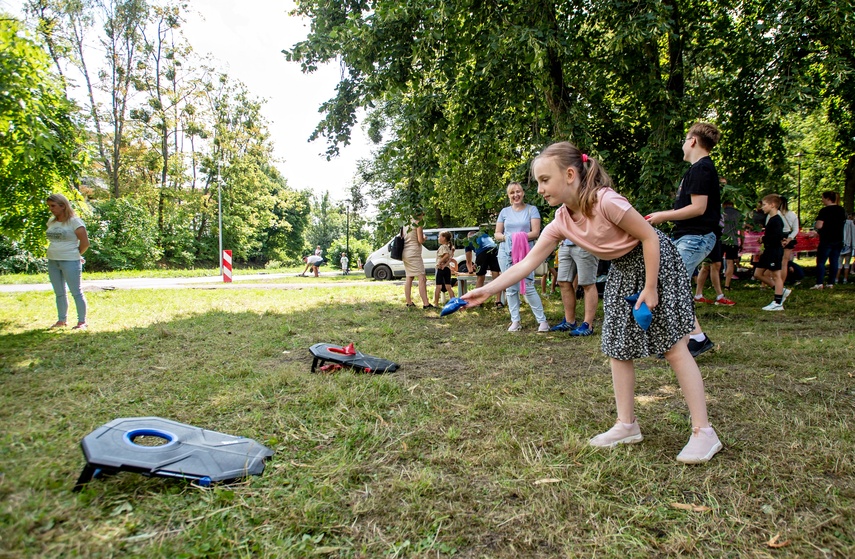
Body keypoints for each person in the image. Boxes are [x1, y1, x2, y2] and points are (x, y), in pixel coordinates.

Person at [462, 142, 722, 463]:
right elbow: (525, 264)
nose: (540, 189)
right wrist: (487, 290)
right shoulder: (560, 220)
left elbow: (649, 236)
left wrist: (651, 288)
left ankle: (704, 432)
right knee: (616, 346)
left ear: (570, 174)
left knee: (673, 347)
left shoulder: (606, 201)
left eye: (545, 180)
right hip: (623, 270)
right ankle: (626, 425)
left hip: (655, 262)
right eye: (538, 182)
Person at [647, 122, 722, 358]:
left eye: (685, 139)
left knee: (670, 286)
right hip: (690, 237)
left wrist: (662, 216)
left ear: (692, 141)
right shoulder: (698, 169)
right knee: (671, 286)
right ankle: (694, 337)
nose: (683, 143)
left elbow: (699, 208)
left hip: (695, 238)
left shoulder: (702, 169)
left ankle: (694, 338)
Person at [495, 181, 549, 332]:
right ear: (508, 196)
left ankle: (542, 321)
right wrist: (508, 238)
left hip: (526, 254)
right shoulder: (504, 212)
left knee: (529, 286)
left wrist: (518, 237)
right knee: (511, 288)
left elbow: (536, 232)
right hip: (506, 253)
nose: (516, 195)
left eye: (518, 191)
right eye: (512, 193)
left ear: (523, 193)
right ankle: (515, 321)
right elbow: (497, 234)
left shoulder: (532, 210)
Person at [45, 193, 89, 330]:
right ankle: (61, 320)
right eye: (49, 206)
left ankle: (82, 322)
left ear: (63, 206)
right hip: (53, 260)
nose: (51, 209)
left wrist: (76, 254)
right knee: (59, 292)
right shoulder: (51, 222)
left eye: (53, 206)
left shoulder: (75, 222)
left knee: (76, 291)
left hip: (70, 260)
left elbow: (85, 242)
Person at [550, 239, 600, 335]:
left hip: (586, 243)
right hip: (565, 244)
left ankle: (587, 325)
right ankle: (569, 321)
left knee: (588, 284)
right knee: (563, 282)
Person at [752, 194, 791, 311]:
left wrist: (764, 239)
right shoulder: (771, 219)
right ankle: (781, 290)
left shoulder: (777, 220)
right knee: (757, 274)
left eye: (764, 205)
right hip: (768, 250)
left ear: (772, 205)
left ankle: (778, 302)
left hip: (774, 250)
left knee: (776, 275)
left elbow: (776, 236)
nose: (762, 207)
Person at [809, 191, 846, 289]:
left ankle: (819, 283)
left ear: (827, 198)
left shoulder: (824, 211)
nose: (822, 200)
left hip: (826, 239)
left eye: (823, 198)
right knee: (834, 261)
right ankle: (831, 283)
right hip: (838, 238)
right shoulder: (841, 210)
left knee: (821, 261)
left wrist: (816, 227)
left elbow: (819, 225)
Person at [464, 229, 503, 307]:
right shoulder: (484, 235)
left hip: (482, 252)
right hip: (494, 249)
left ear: (469, 236)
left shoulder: (468, 241)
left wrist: (470, 271)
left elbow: (468, 261)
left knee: (480, 277)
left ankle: (478, 302)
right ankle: (498, 301)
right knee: (496, 276)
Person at [693, 240, 735, 306]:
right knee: (715, 264)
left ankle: (698, 295)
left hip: (709, 237)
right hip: (712, 236)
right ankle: (720, 296)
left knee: (706, 265)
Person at [402, 216, 432, 308]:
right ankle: (426, 304)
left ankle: (409, 302)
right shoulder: (418, 222)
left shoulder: (405, 222)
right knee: (422, 278)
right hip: (414, 253)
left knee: (409, 277)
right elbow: (420, 240)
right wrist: (424, 238)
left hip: (405, 252)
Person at [720, 198, 743, 290]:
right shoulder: (738, 214)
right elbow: (741, 230)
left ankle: (716, 282)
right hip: (733, 240)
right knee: (730, 262)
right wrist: (742, 243)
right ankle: (727, 285)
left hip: (721, 240)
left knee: (717, 262)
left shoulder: (721, 213)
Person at [777, 196, 800, 285]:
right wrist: (789, 238)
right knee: (784, 262)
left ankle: (776, 281)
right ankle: (782, 282)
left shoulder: (775, 214)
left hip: (778, 237)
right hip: (789, 237)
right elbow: (796, 229)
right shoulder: (792, 214)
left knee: (777, 260)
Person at [433, 231, 456, 306]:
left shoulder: (443, 247)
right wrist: (445, 265)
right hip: (447, 269)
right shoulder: (448, 247)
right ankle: (453, 302)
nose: (438, 238)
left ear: (444, 238)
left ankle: (436, 304)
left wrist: (439, 263)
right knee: (448, 287)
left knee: (438, 287)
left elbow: (446, 256)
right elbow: (449, 258)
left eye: (439, 236)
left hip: (440, 269)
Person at [836, 212, 854, 284]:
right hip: (848, 246)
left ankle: (836, 279)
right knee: (847, 264)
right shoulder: (851, 223)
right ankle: (845, 279)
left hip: (840, 246)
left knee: (839, 264)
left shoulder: (837, 223)